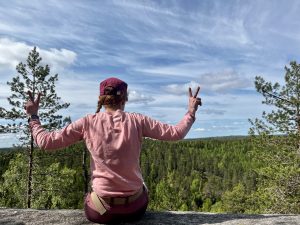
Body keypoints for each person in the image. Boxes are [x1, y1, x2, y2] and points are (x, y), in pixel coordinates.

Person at [25, 77, 202, 224]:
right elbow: (176, 133)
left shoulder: (87, 122)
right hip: (135, 210)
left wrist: (33, 116)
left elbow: (46, 142)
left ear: (101, 98)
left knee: (91, 193)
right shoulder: (137, 121)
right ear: (124, 98)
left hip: (100, 211)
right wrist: (191, 111)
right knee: (143, 187)